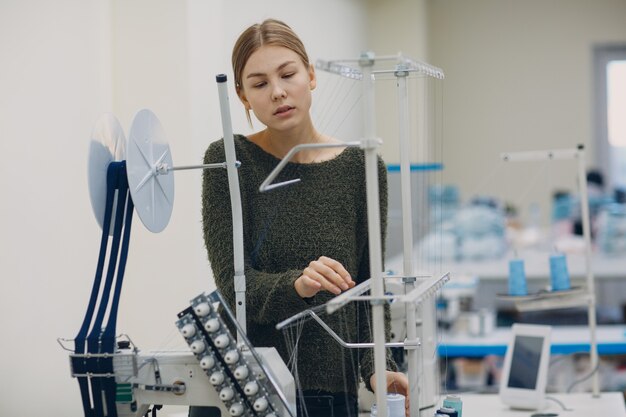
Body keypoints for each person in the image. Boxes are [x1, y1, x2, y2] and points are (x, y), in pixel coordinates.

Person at [201, 18, 408, 417]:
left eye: (288, 74)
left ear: (311, 76)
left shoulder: (362, 167)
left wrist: (379, 368)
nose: (278, 92)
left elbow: (369, 287)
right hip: (245, 386)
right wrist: (297, 285)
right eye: (259, 84)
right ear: (243, 96)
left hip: (329, 391)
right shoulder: (226, 161)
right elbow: (231, 284)